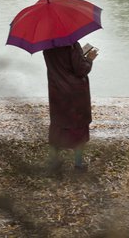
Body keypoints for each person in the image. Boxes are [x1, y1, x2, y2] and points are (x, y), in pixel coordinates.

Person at [42, 41, 98, 171]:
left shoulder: (47, 46)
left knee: (58, 124)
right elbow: (81, 69)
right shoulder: (71, 45)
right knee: (78, 126)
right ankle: (78, 164)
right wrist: (89, 59)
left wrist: (79, 56)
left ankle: (53, 161)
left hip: (56, 90)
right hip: (74, 93)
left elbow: (61, 65)